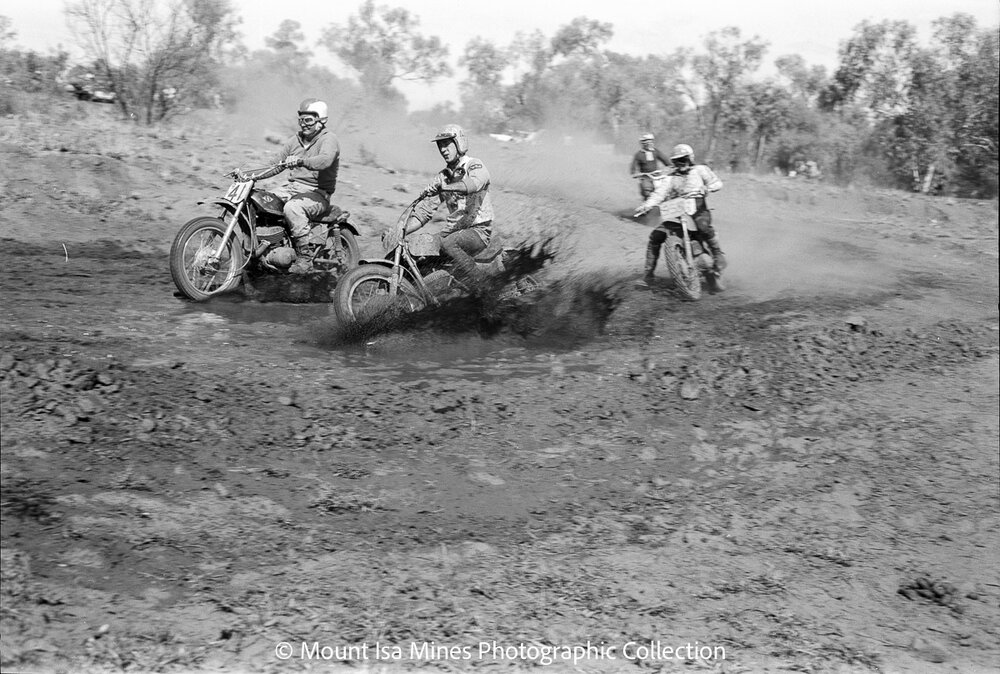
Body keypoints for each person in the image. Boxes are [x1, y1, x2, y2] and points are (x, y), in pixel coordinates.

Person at [247, 98, 341, 274]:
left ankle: (305, 258)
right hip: (291, 188)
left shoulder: (329, 140)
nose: (304, 124)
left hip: (318, 193)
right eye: (301, 120)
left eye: (309, 120)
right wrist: (250, 175)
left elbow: (324, 160)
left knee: (292, 208)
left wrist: (301, 161)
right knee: (259, 201)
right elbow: (276, 163)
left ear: (321, 121)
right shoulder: (295, 140)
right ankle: (258, 250)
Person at [403, 124, 494, 294]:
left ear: (458, 143)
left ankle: (485, 285)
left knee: (448, 243)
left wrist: (446, 188)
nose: (443, 149)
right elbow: (424, 213)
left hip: (478, 231)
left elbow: (474, 184)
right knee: (418, 248)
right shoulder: (443, 176)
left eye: (447, 144)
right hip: (454, 231)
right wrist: (400, 230)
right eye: (440, 145)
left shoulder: (474, 165)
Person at [634, 143, 725, 287]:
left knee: (702, 226)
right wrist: (646, 205)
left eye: (683, 159)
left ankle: (717, 253)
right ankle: (648, 275)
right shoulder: (669, 177)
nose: (680, 163)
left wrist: (707, 188)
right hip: (676, 212)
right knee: (656, 236)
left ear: (690, 158)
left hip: (698, 209)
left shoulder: (700, 170)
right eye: (676, 160)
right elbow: (659, 194)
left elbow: (717, 183)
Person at [629, 133, 671, 199]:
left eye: (651, 141)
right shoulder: (639, 154)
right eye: (647, 142)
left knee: (663, 190)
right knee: (647, 191)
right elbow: (633, 166)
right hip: (646, 177)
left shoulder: (655, 151)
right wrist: (634, 173)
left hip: (657, 175)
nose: (649, 143)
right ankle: (647, 203)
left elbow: (664, 159)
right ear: (642, 143)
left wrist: (670, 165)